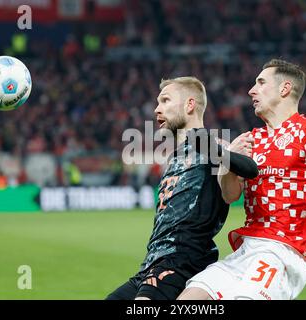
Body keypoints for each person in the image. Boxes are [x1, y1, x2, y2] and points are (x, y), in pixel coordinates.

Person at [178, 59, 306, 300]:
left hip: (283, 252)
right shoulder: (251, 139)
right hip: (245, 249)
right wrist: (229, 162)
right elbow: (230, 195)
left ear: (284, 89)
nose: (252, 90)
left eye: (261, 83)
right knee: (189, 299)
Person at [106, 76, 258, 300]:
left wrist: (223, 153)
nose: (157, 109)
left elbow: (249, 170)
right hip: (151, 263)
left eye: (165, 101)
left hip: (181, 260)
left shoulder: (210, 145)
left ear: (189, 105)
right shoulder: (177, 155)